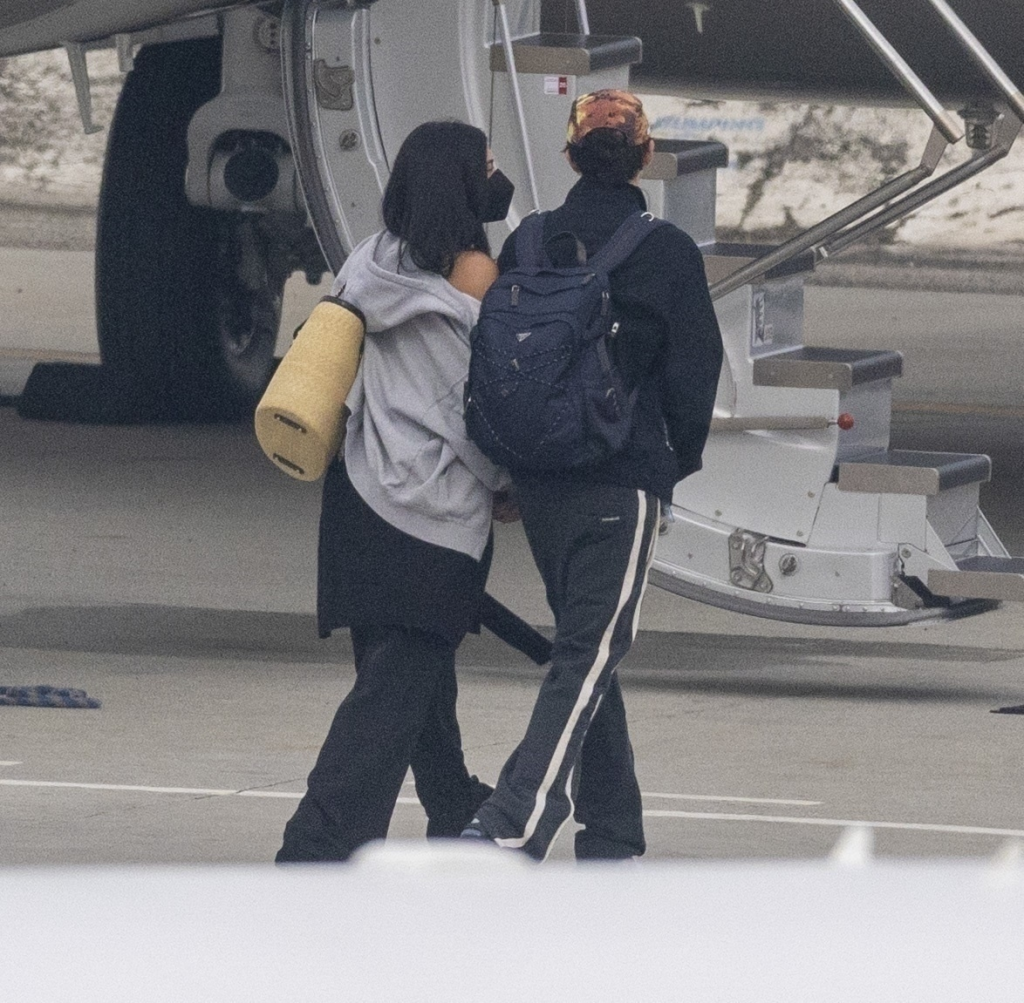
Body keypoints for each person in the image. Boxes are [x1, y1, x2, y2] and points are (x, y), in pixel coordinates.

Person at [462, 90, 724, 861]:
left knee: (587, 641)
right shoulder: (667, 250)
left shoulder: (528, 240)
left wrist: (513, 462)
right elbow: (695, 376)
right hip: (620, 478)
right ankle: (513, 818)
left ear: (571, 156)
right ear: (646, 156)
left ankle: (611, 826)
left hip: (540, 480)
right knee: (588, 651)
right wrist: (671, 467)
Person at [276, 121, 517, 862]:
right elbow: (469, 409)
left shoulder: (367, 261)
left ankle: (452, 802)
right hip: (430, 521)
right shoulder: (474, 275)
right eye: (487, 166)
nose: (498, 176)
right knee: (388, 701)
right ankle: (319, 844)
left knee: (410, 679)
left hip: (358, 505)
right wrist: (508, 482)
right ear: (460, 185)